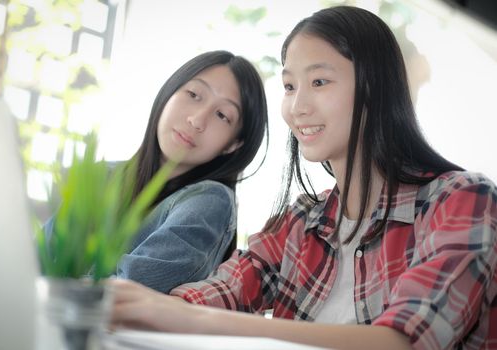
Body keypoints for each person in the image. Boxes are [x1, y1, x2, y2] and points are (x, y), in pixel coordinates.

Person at [109, 6, 497, 350]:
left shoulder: (463, 199)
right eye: (290, 86)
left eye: (319, 82)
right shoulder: (298, 223)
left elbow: (402, 341)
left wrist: (196, 320)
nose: (297, 107)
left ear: (374, 87)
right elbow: (218, 292)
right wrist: (155, 306)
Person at [46, 50, 269, 294]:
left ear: (233, 144)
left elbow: (125, 290)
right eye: (194, 94)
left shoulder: (211, 200)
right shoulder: (101, 177)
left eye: (222, 115)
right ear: (169, 93)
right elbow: (37, 258)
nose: (197, 120)